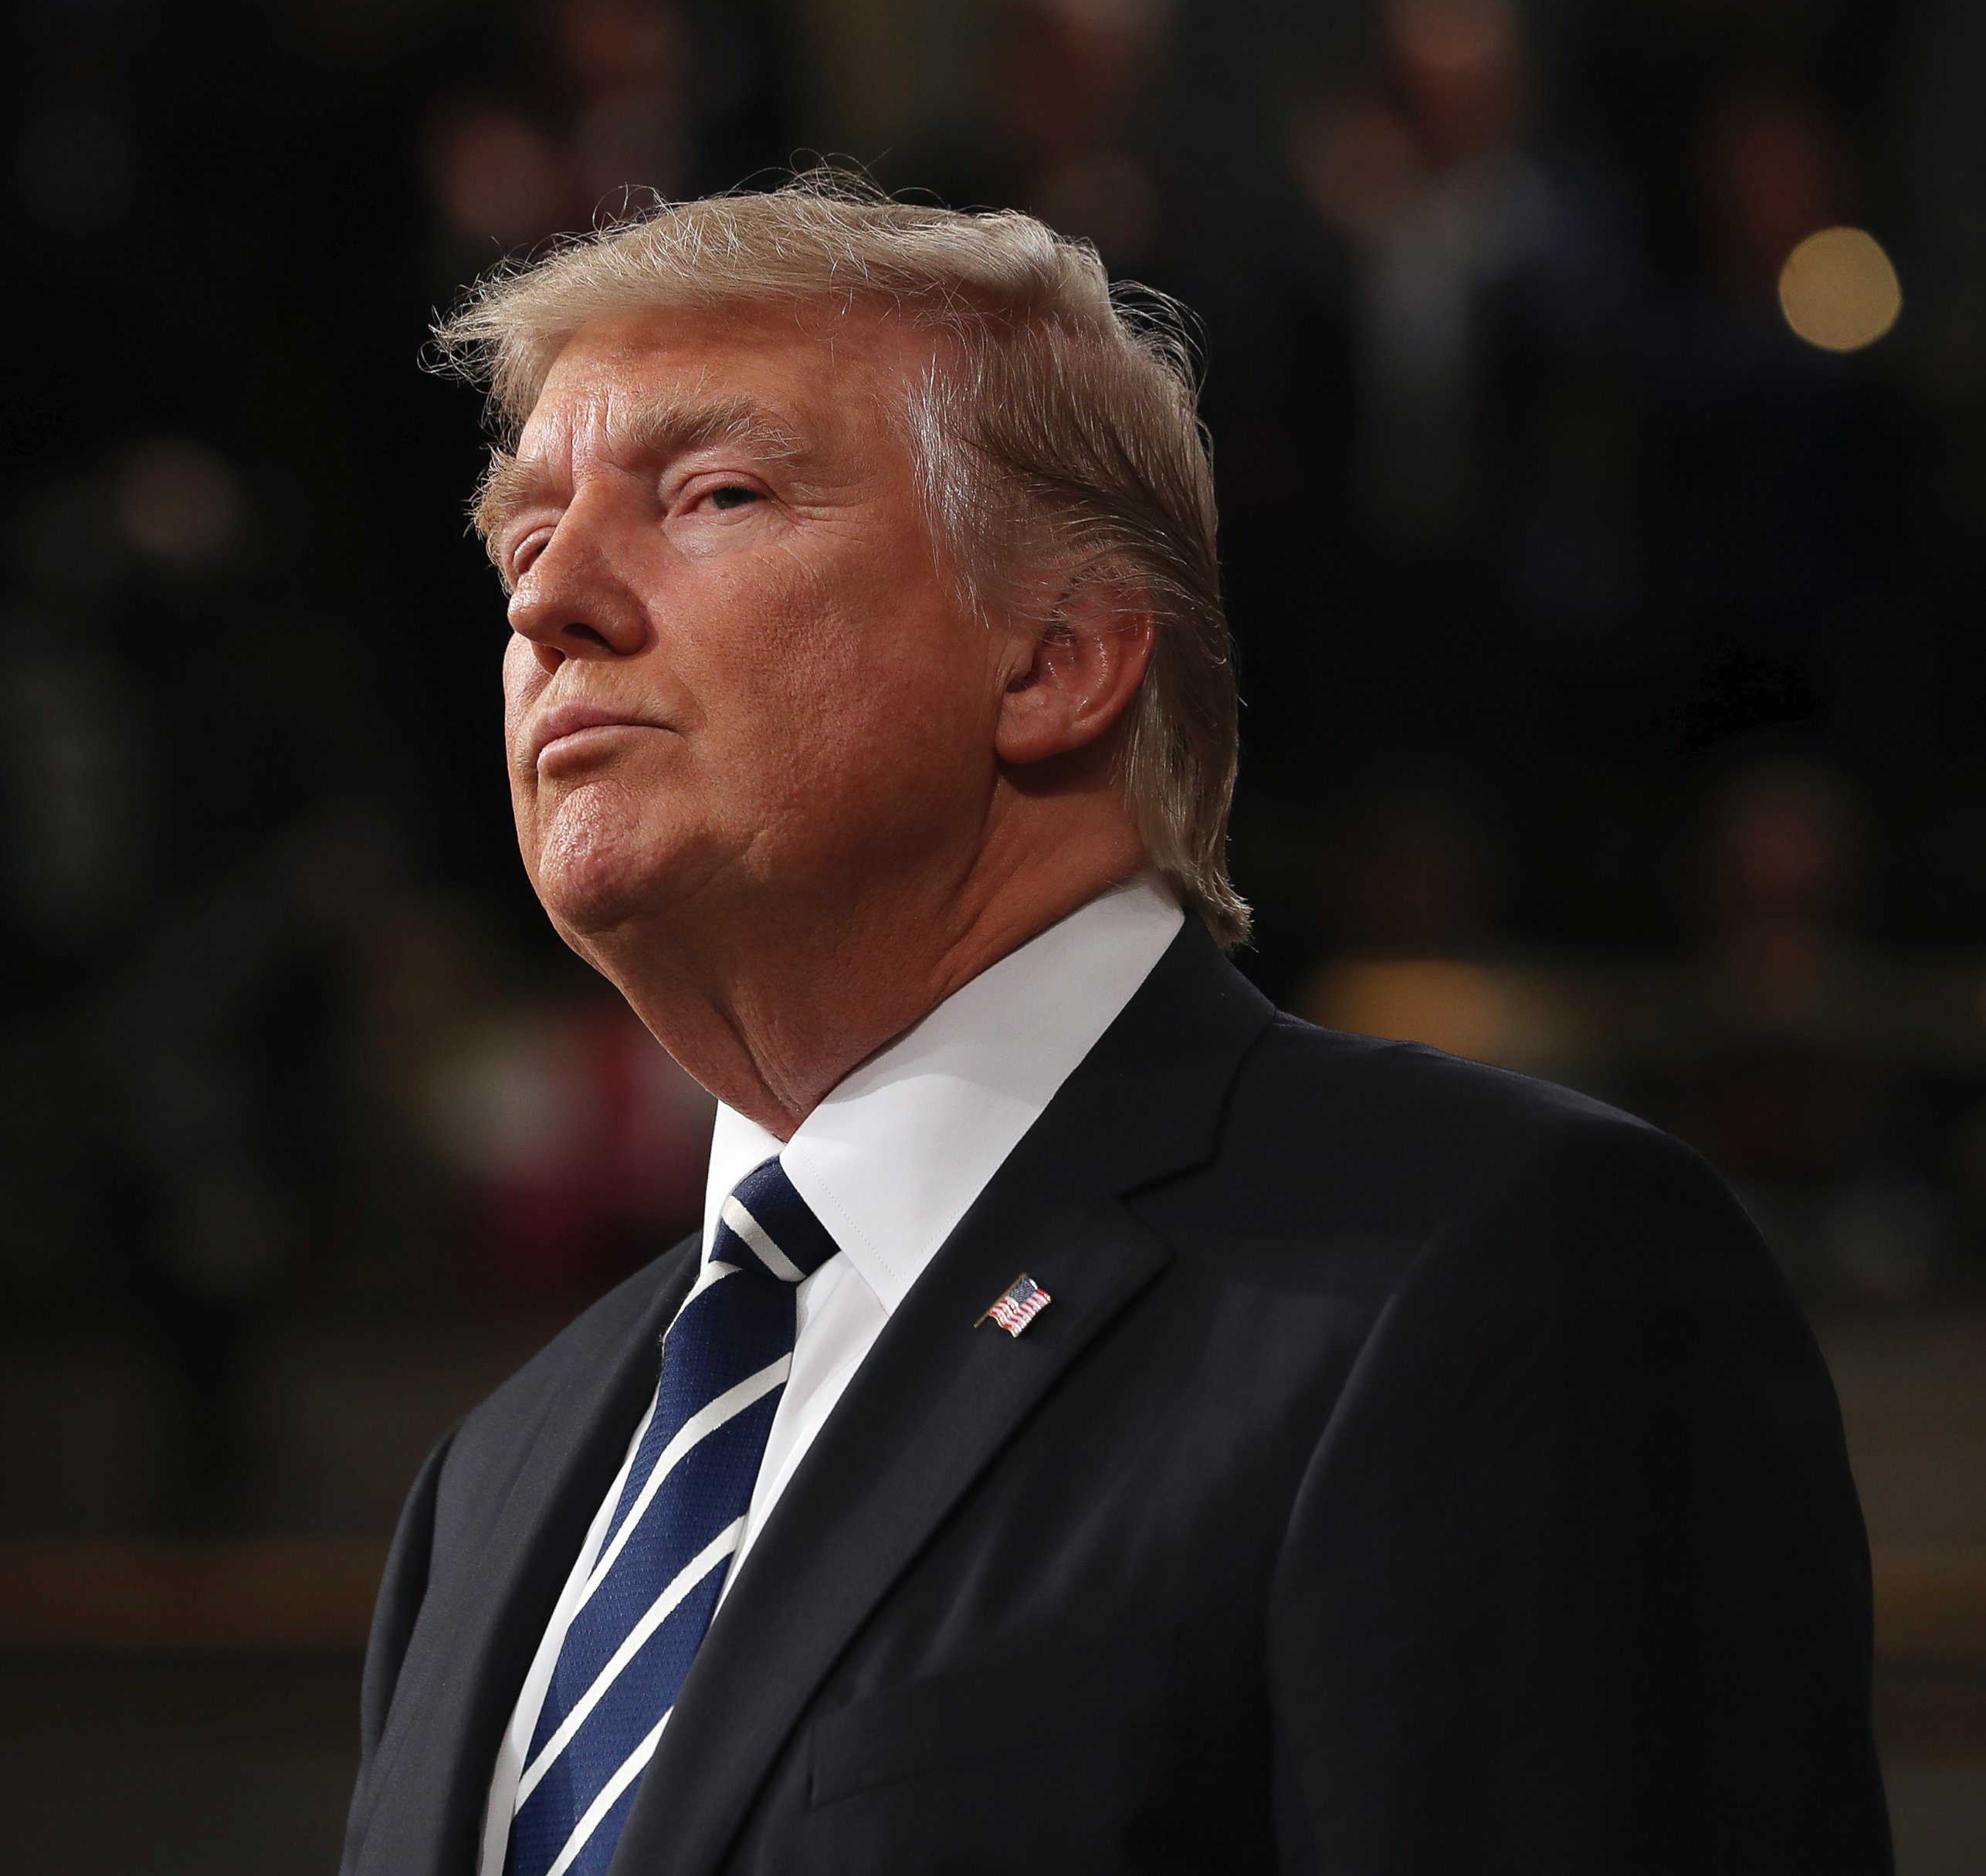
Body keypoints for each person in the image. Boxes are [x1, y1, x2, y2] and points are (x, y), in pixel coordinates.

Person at [341, 178, 1889, 1876]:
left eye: (712, 494)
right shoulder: (494, 1487)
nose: (550, 604)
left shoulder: (1493, 1277)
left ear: (1056, 657)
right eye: (522, 536)